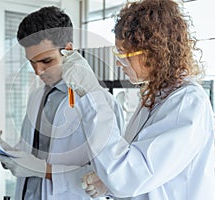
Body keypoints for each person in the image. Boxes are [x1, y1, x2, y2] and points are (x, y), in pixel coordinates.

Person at [80, 0, 215, 199]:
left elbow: (128, 176)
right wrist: (108, 184)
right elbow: (145, 170)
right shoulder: (157, 96)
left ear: (155, 52)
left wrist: (92, 95)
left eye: (126, 54)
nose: (119, 62)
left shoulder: (187, 102)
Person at [0, 6, 125, 200]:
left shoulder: (101, 102)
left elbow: (113, 175)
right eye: (32, 63)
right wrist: (7, 152)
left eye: (46, 61)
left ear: (68, 50)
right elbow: (29, 152)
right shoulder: (36, 96)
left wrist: (43, 170)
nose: (38, 71)